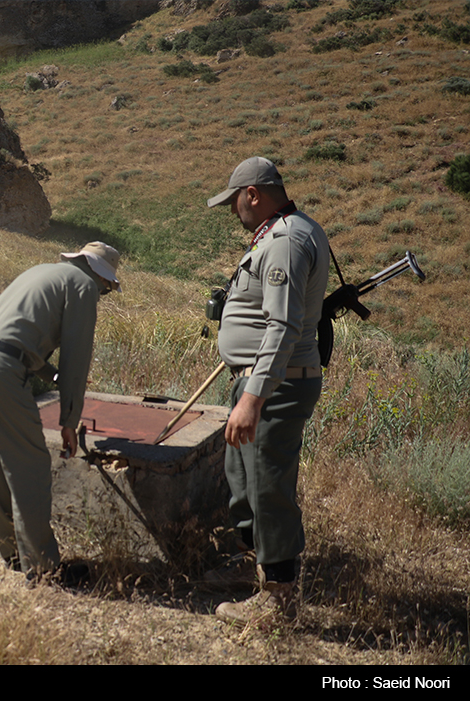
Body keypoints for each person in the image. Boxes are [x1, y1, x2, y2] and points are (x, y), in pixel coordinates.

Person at [0, 242, 121, 585]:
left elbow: (19, 339)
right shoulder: (84, 287)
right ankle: (44, 568)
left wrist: (51, 376)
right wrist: (70, 421)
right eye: (107, 289)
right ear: (102, 279)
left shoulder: (43, 272)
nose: (103, 294)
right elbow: (77, 359)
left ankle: (14, 553)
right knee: (29, 466)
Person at [206, 157, 329, 623]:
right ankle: (248, 567)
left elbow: (282, 325)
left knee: (268, 487)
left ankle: (278, 600)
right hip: (259, 381)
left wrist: (254, 398)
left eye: (234, 200)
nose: (233, 209)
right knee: (243, 479)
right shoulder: (286, 233)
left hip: (274, 387)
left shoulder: (286, 241)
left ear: (252, 194)